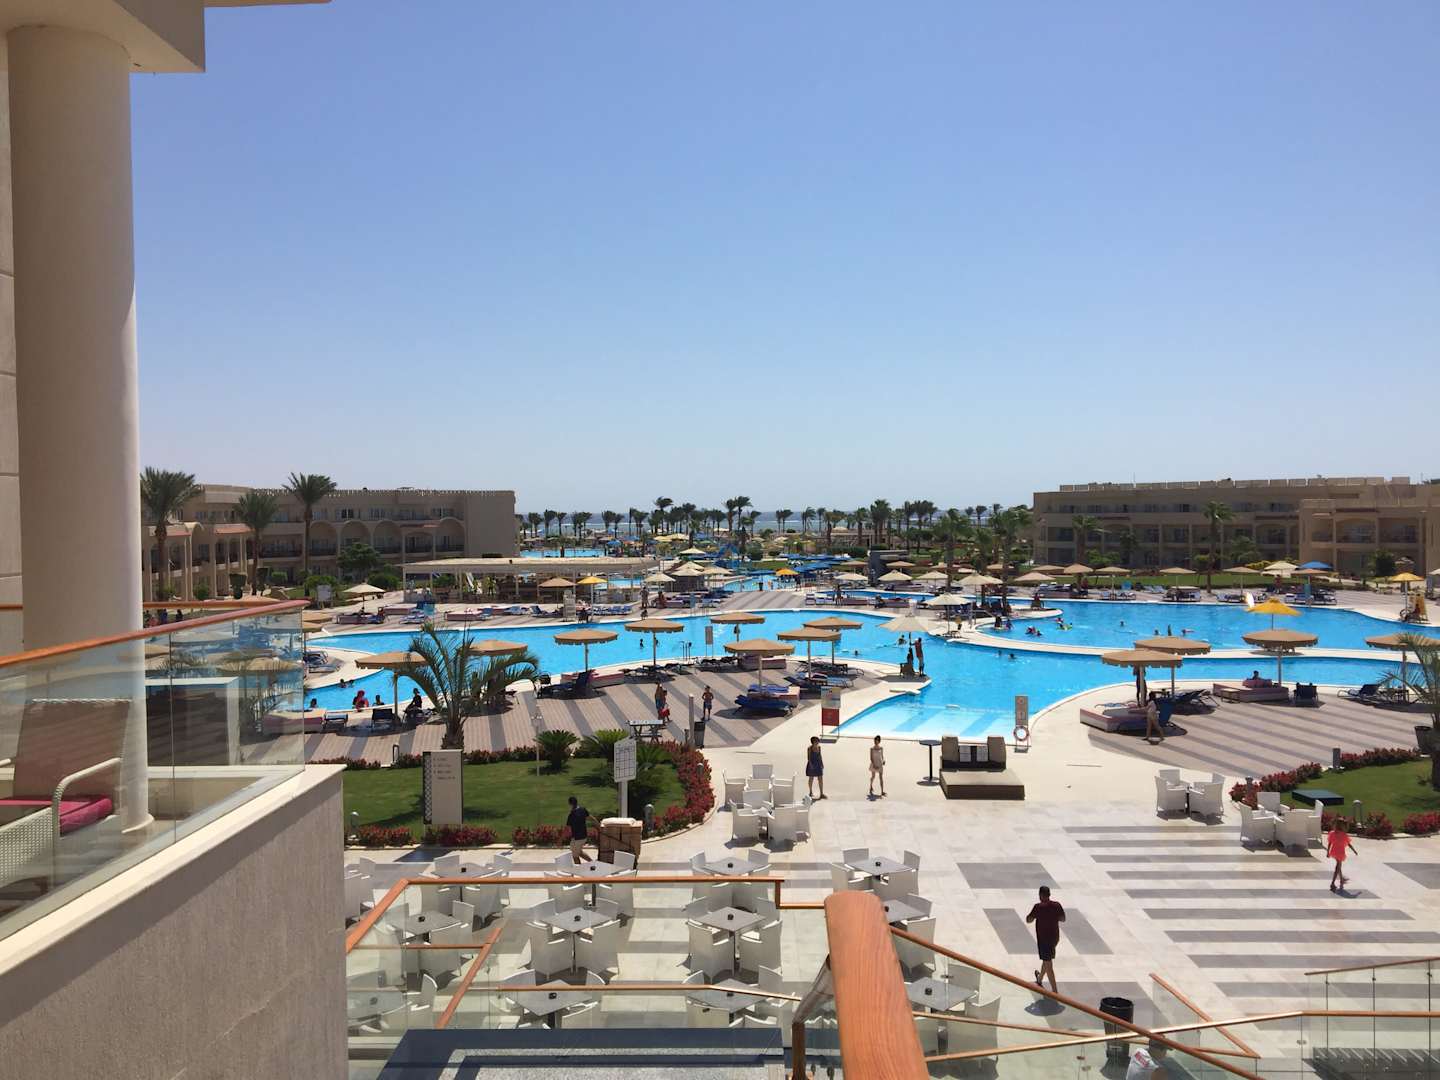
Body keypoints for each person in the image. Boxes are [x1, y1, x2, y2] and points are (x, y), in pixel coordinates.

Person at [1025, 885, 1066, 992]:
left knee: (1048, 964)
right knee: (1046, 959)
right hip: (1054, 938)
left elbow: (1029, 920)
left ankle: (1055, 992)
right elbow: (1063, 919)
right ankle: (1039, 979)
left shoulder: (1038, 907)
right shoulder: (1056, 905)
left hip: (1044, 940)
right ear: (1049, 895)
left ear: (1040, 895)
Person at [1327, 821, 1357, 892]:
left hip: (1334, 851)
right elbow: (1348, 844)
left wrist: (1328, 852)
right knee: (1337, 867)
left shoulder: (1332, 833)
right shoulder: (1343, 835)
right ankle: (1332, 883)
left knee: (1338, 866)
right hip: (1340, 852)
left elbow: (1330, 843)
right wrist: (1354, 850)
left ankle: (1341, 879)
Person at [566, 796, 593, 861]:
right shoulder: (583, 810)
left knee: (575, 856)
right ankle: (592, 862)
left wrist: (560, 840)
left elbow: (567, 829)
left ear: (570, 804)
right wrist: (599, 826)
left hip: (578, 838)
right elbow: (592, 818)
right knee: (579, 852)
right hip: (581, 837)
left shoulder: (571, 815)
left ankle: (578, 867)